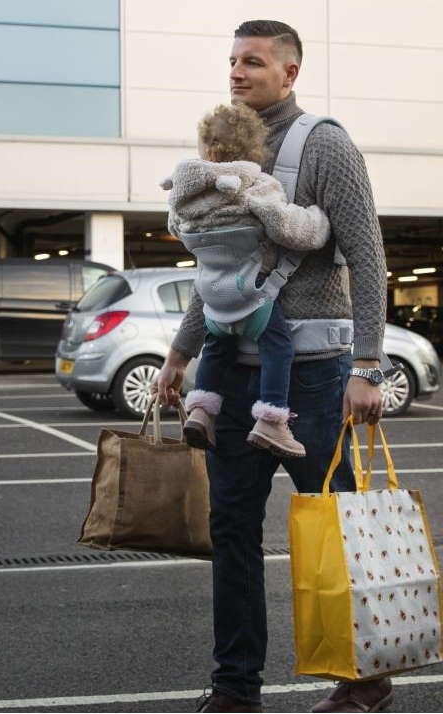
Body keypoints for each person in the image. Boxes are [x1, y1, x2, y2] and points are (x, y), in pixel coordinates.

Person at [152, 20, 389, 714]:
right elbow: (217, 275)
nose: (236, 72)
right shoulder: (225, 156)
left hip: (314, 372)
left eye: (252, 62)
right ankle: (235, 688)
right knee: (230, 531)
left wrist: (368, 366)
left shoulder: (326, 145)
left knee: (330, 525)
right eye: (231, 61)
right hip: (231, 375)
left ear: (289, 72)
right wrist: (179, 353)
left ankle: (364, 678)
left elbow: (368, 255)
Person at [162, 102, 331, 458]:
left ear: (205, 149)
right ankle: (272, 419)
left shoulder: (182, 196)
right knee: (278, 347)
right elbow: (290, 228)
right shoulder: (255, 185)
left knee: (216, 349)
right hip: (251, 296)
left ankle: (201, 413)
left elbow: (176, 229)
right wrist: (319, 219)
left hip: (212, 300)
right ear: (255, 152)